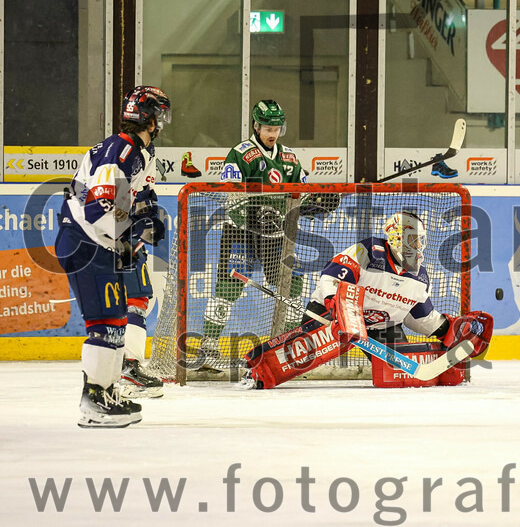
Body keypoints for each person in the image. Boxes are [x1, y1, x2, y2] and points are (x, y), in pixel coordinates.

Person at [240, 211, 492, 389]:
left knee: (399, 375)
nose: (418, 245)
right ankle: (255, 370)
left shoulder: (420, 277)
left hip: (381, 328)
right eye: (413, 238)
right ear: (396, 237)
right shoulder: (369, 251)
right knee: (298, 356)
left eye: (420, 240)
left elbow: (420, 317)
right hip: (336, 316)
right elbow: (332, 278)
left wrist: (447, 329)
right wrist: (336, 306)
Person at [56, 85, 172, 427]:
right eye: (160, 115)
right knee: (105, 322)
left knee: (118, 317)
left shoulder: (138, 152)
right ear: (151, 119)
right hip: (87, 243)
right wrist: (135, 232)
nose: (163, 123)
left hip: (101, 243)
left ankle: (105, 391)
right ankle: (94, 402)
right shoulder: (121, 151)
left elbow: (140, 195)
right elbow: (99, 209)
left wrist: (148, 217)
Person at [200, 100, 311, 364]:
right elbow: (230, 195)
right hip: (241, 234)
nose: (272, 133)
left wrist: (315, 202)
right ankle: (208, 347)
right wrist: (253, 217)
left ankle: (287, 343)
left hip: (275, 239)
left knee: (292, 284)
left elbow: (303, 191)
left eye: (277, 128)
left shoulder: (289, 158)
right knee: (228, 286)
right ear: (256, 126)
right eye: (267, 128)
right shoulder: (241, 153)